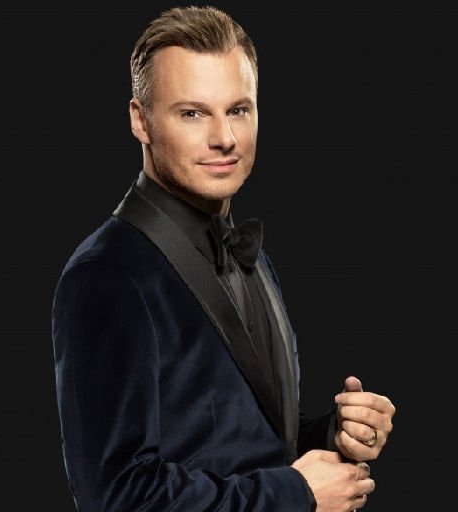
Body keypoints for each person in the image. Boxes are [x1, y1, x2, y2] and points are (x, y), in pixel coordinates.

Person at [52, 6, 396, 511]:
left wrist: (334, 434)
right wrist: (295, 494)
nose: (225, 138)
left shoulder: (252, 257)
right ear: (140, 120)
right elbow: (117, 496)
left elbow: (246, 446)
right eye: (192, 113)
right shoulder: (107, 274)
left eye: (238, 109)